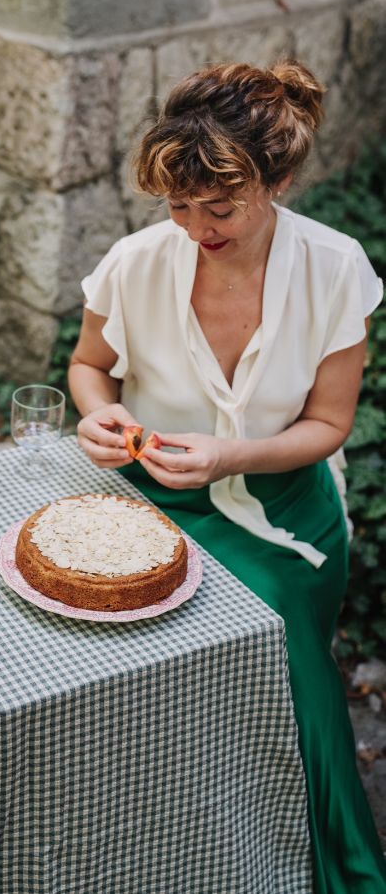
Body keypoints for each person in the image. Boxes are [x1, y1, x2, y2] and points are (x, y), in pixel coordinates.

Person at [68, 59, 386, 893]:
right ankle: (166, 842)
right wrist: (100, 415)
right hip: (148, 498)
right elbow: (88, 368)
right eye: (177, 205)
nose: (195, 226)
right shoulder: (136, 261)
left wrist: (227, 456)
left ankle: (307, 861)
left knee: (283, 652)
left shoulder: (336, 266)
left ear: (275, 180)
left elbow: (327, 426)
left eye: (220, 207)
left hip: (280, 506)